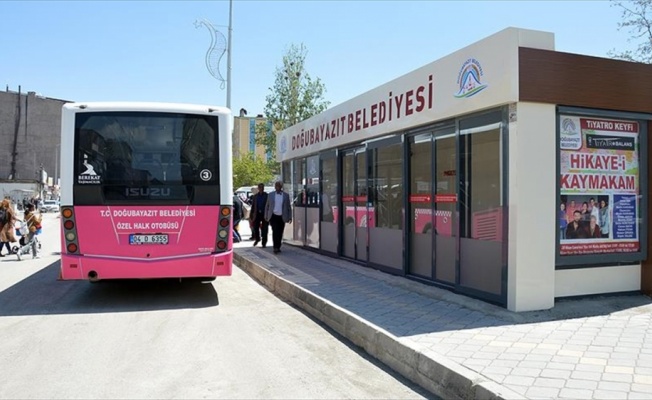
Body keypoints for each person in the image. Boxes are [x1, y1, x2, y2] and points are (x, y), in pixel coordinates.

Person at [264, 180, 292, 254]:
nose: (277, 187)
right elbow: (267, 206)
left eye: (279, 186)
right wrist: (266, 216)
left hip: (282, 216)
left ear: (281, 187)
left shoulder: (286, 195)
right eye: (276, 186)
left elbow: (288, 207)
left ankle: (278, 246)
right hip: (273, 216)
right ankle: (275, 247)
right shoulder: (270, 195)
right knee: (275, 231)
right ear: (275, 187)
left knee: (280, 232)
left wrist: (290, 216)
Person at [250, 183, 269, 248]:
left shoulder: (267, 196)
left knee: (265, 228)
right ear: (258, 188)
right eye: (260, 187)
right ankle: (257, 238)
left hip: (264, 214)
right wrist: (251, 215)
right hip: (257, 213)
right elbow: (253, 206)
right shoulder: (255, 196)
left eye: (262, 187)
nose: (261, 189)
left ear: (263, 188)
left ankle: (264, 242)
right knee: (255, 227)